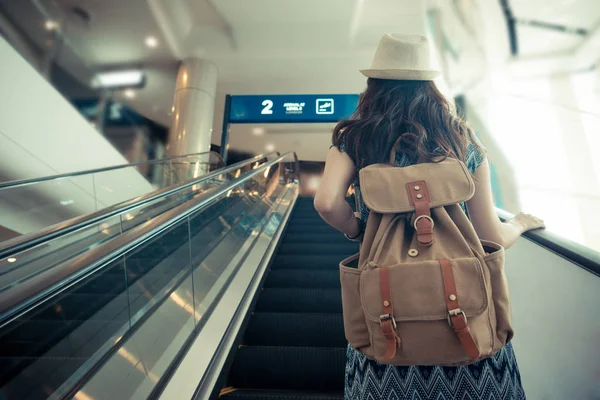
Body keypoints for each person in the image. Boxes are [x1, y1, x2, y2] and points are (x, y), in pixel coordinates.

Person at [314, 34, 544, 400]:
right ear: (431, 84)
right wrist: (519, 223)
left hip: (388, 340)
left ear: (374, 84)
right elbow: (492, 239)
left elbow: (326, 203)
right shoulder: (462, 140)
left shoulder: (354, 139)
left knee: (377, 339)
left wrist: (358, 230)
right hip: (466, 331)